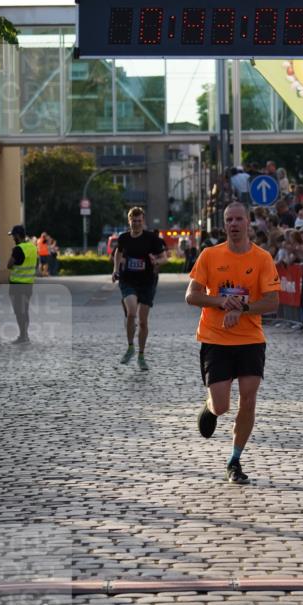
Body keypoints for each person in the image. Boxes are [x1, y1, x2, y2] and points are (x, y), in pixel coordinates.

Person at [185, 201, 280, 485]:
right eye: (229, 220)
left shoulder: (262, 259)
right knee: (223, 405)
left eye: (239, 219)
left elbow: (273, 301)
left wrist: (243, 309)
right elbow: (191, 295)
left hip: (250, 339)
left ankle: (234, 460)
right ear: (224, 224)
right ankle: (211, 406)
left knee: (248, 399)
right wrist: (220, 301)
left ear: (248, 223)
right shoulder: (210, 255)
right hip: (215, 339)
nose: (234, 224)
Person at [113, 206, 167, 370]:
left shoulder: (151, 239)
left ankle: (141, 356)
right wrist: (115, 269)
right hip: (127, 280)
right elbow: (118, 253)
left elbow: (164, 258)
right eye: (133, 221)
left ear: (143, 221)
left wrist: (156, 262)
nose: (136, 224)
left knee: (143, 322)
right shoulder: (123, 238)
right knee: (131, 313)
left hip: (147, 282)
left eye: (139, 221)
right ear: (129, 221)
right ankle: (130, 347)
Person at [7, 224, 37, 344]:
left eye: (13, 236)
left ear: (18, 236)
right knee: (25, 310)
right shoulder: (32, 247)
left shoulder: (18, 249)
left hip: (17, 285)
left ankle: (23, 336)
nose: (13, 238)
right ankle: (25, 335)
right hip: (28, 285)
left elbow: (9, 265)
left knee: (19, 311)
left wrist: (12, 254)